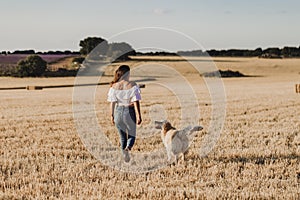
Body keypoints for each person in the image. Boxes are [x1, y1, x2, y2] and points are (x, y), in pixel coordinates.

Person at [107, 65, 142, 162]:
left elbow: (112, 102)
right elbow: (136, 101)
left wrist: (112, 116)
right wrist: (139, 115)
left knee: (122, 137)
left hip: (118, 112)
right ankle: (128, 149)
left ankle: (124, 156)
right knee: (132, 134)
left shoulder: (114, 86)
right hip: (129, 112)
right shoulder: (132, 84)